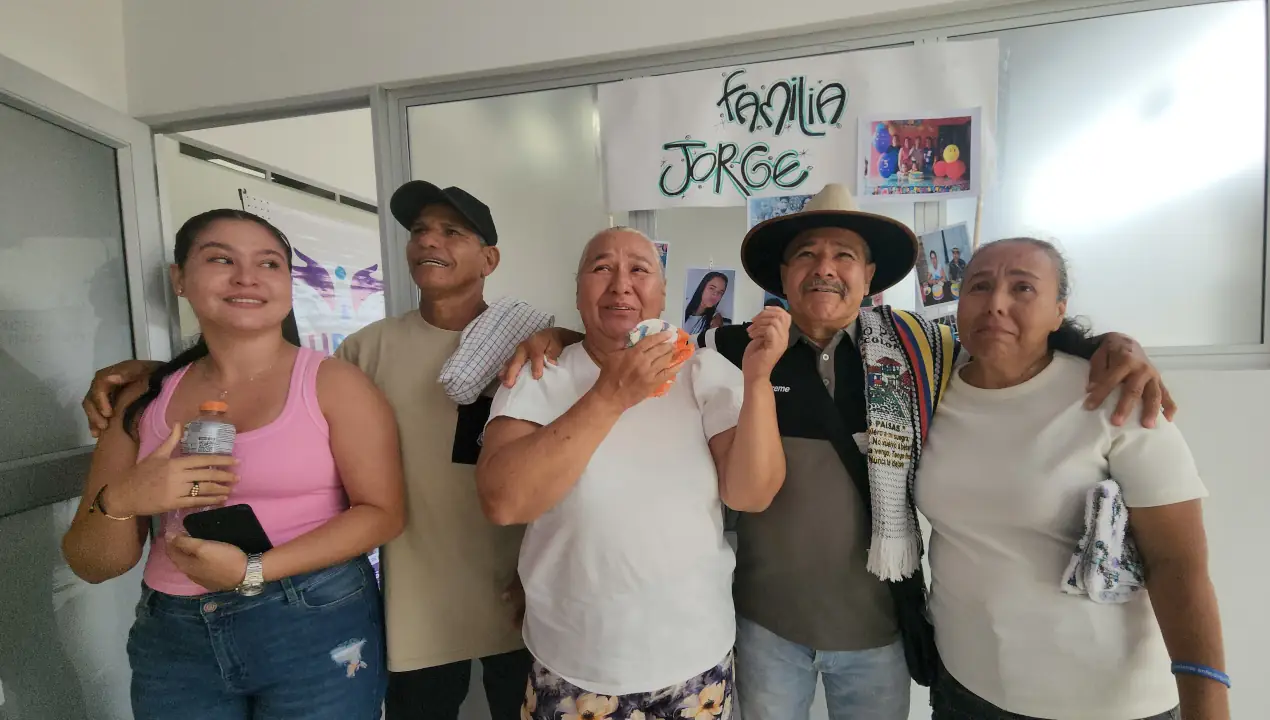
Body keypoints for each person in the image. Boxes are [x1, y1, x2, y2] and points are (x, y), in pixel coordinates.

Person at [502, 184, 1173, 720]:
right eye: (806, 255)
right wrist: (556, 337)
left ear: (870, 274)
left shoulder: (923, 351)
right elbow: (616, 344)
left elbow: (1012, 346)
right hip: (762, 628)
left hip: (877, 630)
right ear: (784, 276)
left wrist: (1107, 344)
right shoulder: (729, 351)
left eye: (844, 255)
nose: (825, 268)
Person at [80, 182, 563, 720]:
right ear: (180, 279)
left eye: (452, 232)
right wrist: (153, 384)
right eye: (420, 230)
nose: (430, 240)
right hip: (415, 591)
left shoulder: (537, 348)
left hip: (508, 579)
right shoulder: (364, 353)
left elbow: (568, 464)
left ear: (489, 258)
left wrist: (567, 338)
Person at [62, 209, 404, 719]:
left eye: (269, 263)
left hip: (314, 618)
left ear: (289, 284)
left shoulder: (336, 384)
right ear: (179, 279)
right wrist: (126, 499)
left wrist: (252, 571)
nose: (246, 276)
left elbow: (382, 513)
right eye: (220, 258)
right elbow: (91, 564)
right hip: (175, 635)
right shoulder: (143, 397)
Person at [477, 227, 788, 719]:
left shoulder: (704, 372)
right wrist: (612, 394)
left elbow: (751, 494)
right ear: (579, 291)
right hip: (573, 664)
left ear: (662, 295)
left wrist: (757, 381)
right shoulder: (540, 376)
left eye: (639, 269)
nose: (621, 284)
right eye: (602, 267)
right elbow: (503, 501)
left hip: (694, 660)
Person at [916, 237, 1227, 720]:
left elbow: (1178, 563)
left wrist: (1208, 703)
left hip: (1107, 703)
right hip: (967, 689)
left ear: (1058, 311)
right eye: (979, 286)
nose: (996, 303)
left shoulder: (1115, 397)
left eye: (1022, 288)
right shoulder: (931, 387)